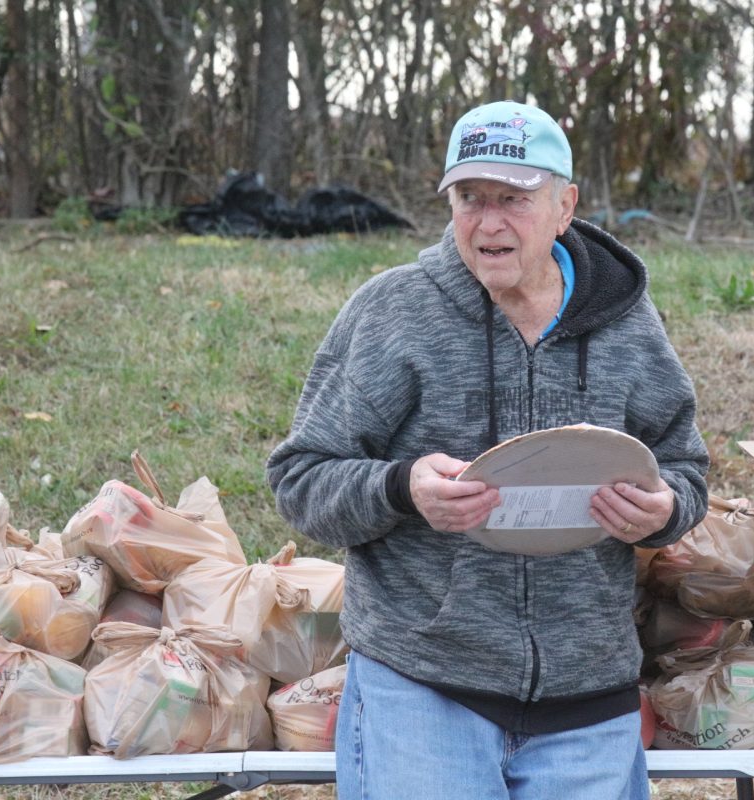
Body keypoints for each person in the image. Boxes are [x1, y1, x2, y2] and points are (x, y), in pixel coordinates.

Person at [266, 100, 710, 799]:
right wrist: (401, 489)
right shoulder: (394, 312)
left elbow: (685, 468)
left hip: (586, 698)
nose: (489, 221)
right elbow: (300, 478)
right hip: (425, 690)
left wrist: (662, 510)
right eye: (470, 198)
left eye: (514, 199)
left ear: (565, 205)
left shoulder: (625, 321)